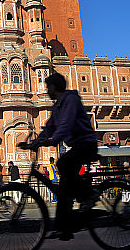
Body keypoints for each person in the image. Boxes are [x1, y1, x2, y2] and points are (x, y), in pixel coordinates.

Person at [19, 72, 98, 241]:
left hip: (86, 143)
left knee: (63, 164)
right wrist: (34, 142)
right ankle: (64, 228)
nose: (47, 90)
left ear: (54, 87)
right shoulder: (57, 107)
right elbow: (49, 127)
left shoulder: (70, 100)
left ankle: (88, 194)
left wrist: (52, 141)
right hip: (76, 145)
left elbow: (65, 125)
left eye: (48, 87)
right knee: (64, 188)